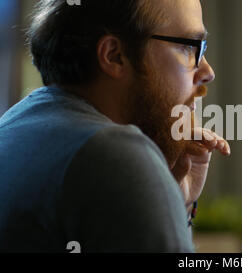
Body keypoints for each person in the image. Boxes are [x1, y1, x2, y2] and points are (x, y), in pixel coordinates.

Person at [0, 0, 230, 252]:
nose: (208, 71)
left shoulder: (15, 124)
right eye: (189, 47)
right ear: (114, 56)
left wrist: (175, 202)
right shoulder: (113, 154)